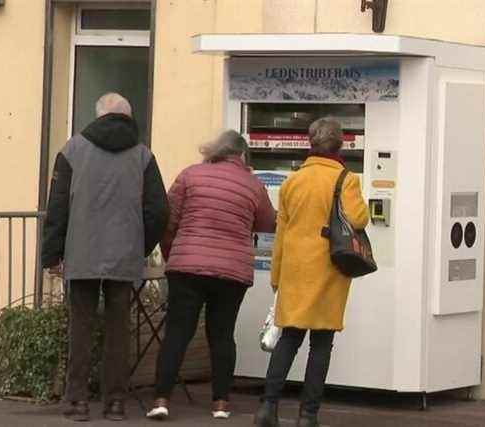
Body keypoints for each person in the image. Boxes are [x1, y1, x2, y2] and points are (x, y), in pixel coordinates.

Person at [41, 93, 169, 422]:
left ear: (98, 116)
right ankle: (115, 403)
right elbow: (158, 210)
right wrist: (139, 245)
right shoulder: (143, 155)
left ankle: (78, 401)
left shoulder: (72, 150)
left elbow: (57, 207)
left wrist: (52, 254)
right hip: (124, 255)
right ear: (127, 117)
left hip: (81, 252)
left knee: (80, 329)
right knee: (118, 332)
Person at [146, 130, 276, 421]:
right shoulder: (252, 184)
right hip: (232, 272)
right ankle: (220, 404)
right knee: (221, 335)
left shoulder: (190, 175)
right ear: (242, 155)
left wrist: (173, 255)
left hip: (187, 268)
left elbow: (168, 221)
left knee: (177, 333)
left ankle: (161, 399)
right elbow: (268, 223)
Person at [254, 118, 369, 427]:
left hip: (294, 269)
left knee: (288, 338)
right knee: (321, 344)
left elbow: (281, 234)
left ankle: (268, 407)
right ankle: (308, 414)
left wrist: (276, 276)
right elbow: (359, 218)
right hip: (329, 269)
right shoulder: (346, 179)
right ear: (340, 144)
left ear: (310, 144)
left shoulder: (293, 181)